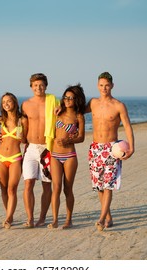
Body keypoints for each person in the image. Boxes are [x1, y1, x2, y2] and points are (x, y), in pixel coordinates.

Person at [86, 72, 135, 231]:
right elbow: (76, 111)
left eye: (107, 85)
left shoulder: (118, 105)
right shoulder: (93, 103)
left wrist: (132, 147)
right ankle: (108, 216)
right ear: (97, 86)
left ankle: (101, 218)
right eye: (101, 85)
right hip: (95, 148)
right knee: (99, 186)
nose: (104, 88)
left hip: (111, 149)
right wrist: (60, 109)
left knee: (108, 185)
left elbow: (127, 125)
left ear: (112, 85)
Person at [21, 73, 60, 228]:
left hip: (47, 148)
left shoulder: (54, 102)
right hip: (30, 147)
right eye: (35, 85)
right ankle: (30, 218)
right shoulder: (25, 104)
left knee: (46, 184)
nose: (38, 87)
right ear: (31, 87)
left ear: (46, 86)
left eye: (41, 84)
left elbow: (67, 115)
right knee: (28, 182)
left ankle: (42, 217)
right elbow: (17, 122)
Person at [48, 84, 86, 229]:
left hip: (70, 155)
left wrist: (68, 140)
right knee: (56, 187)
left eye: (71, 98)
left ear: (76, 100)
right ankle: (55, 219)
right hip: (55, 155)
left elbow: (81, 137)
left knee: (67, 189)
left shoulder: (79, 116)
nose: (68, 100)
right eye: (66, 97)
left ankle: (69, 220)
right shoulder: (58, 111)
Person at [0, 92, 25, 229]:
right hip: (0, 157)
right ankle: (9, 215)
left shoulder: (22, 120)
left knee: (12, 189)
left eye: (9, 101)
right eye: (4, 102)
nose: (6, 104)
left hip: (15, 158)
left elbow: (26, 140)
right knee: (4, 188)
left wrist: (22, 135)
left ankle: (8, 218)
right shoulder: (1, 119)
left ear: (15, 103)